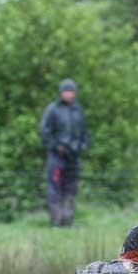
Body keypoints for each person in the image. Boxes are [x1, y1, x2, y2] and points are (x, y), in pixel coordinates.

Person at [39, 78, 89, 227]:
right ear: (61, 92)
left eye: (71, 91)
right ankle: (56, 220)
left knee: (71, 187)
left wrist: (83, 145)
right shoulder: (52, 109)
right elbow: (44, 131)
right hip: (57, 156)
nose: (68, 94)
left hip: (73, 156)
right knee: (54, 187)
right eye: (65, 91)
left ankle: (67, 220)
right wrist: (56, 146)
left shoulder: (78, 110)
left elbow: (84, 132)